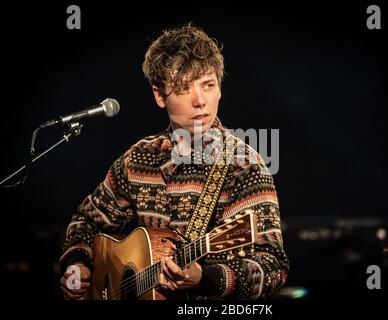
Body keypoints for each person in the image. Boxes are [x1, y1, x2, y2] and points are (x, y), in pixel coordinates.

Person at [59, 23, 289, 300]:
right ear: (159, 95)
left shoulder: (244, 166)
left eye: (208, 85)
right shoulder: (138, 159)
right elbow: (86, 221)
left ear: (219, 89)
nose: (200, 101)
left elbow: (273, 265)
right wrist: (77, 264)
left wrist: (207, 279)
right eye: (183, 89)